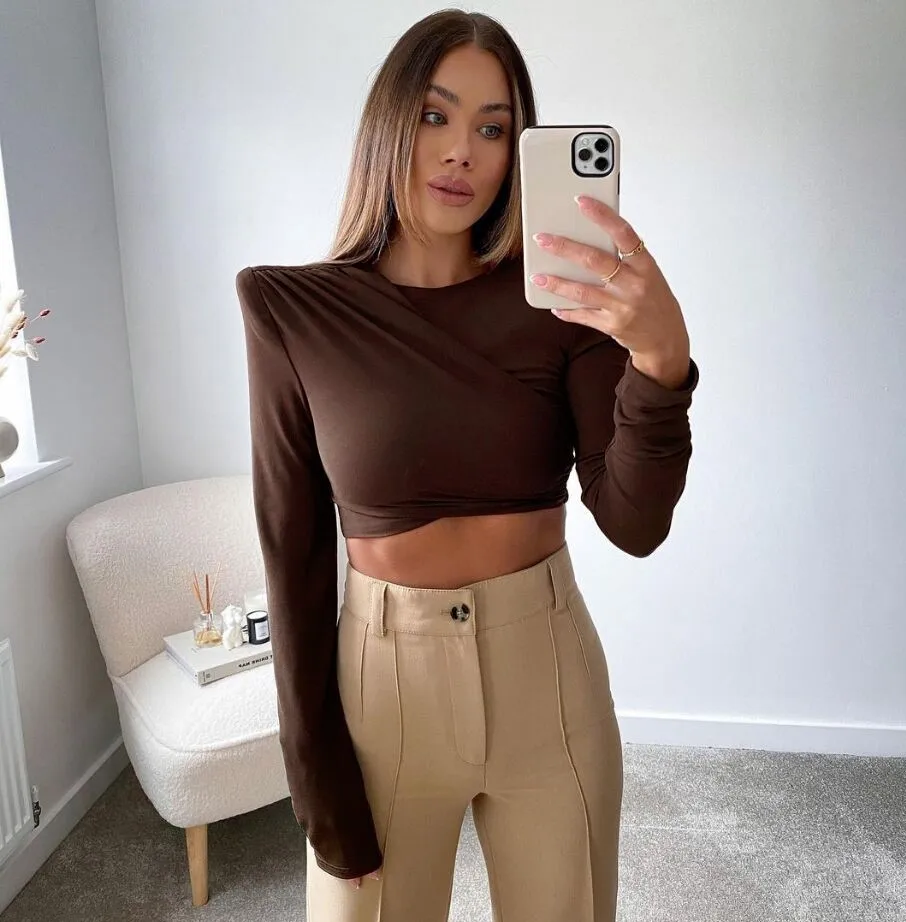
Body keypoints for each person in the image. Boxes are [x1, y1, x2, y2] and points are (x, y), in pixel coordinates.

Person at [236, 9, 697, 921]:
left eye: (494, 129)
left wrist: (661, 363)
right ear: (389, 123)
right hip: (383, 690)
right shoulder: (291, 309)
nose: (462, 153)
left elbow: (634, 524)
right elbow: (293, 553)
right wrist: (312, 767)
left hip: (548, 675)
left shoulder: (564, 301)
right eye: (435, 116)